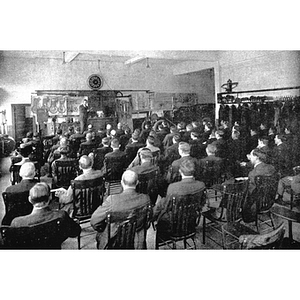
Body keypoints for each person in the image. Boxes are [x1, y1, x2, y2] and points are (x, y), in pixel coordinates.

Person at [90, 170, 150, 249]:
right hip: (136, 239)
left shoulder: (112, 200)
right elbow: (148, 221)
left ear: (122, 182)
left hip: (113, 241)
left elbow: (94, 221)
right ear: (137, 182)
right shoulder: (146, 199)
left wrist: (103, 227)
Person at [10, 182, 81, 247]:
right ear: (50, 198)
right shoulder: (61, 215)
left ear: (30, 200)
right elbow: (75, 232)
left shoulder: (16, 223)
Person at [153, 159, 205, 236]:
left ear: (180, 171)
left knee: (160, 206)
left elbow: (167, 206)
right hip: (191, 221)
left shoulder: (173, 187)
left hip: (173, 224)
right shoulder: (201, 185)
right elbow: (202, 203)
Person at [242, 148, 277, 223]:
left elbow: (250, 191)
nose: (249, 157)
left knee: (233, 192)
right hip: (269, 201)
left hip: (257, 204)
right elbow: (261, 179)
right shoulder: (271, 167)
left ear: (256, 157)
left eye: (251, 155)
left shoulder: (253, 173)